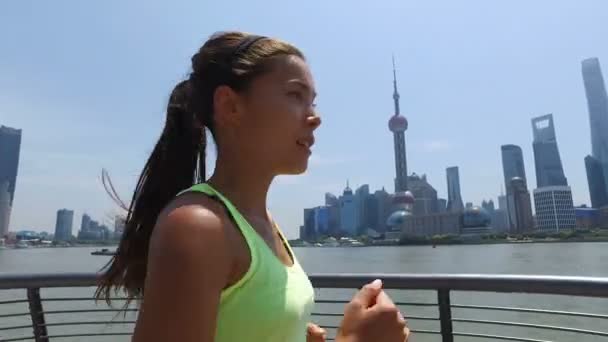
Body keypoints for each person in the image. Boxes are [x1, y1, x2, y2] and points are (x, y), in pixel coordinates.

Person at [96, 31, 411, 342]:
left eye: (312, 101)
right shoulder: (198, 226)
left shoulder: (265, 225)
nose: (315, 118)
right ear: (230, 106)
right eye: (295, 95)